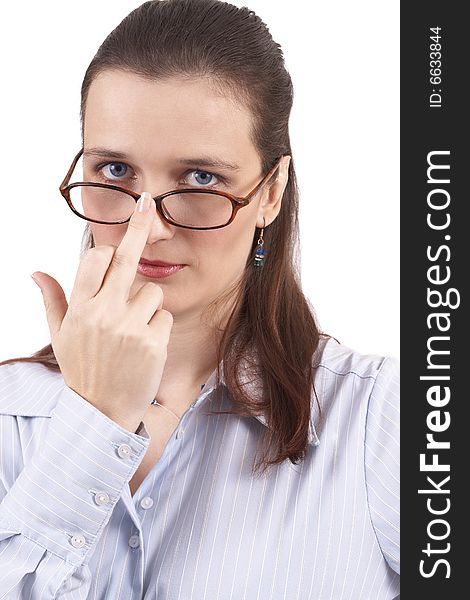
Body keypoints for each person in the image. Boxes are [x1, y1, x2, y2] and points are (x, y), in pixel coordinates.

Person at [0, 0, 400, 598]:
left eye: (201, 180)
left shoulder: (379, 418)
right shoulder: (9, 421)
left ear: (271, 193)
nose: (150, 226)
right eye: (114, 171)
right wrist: (92, 422)